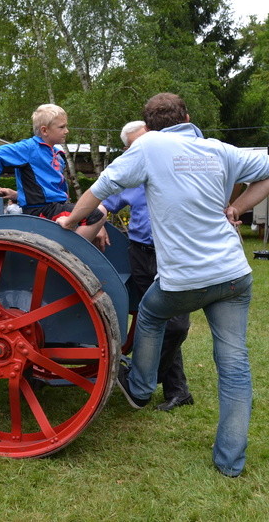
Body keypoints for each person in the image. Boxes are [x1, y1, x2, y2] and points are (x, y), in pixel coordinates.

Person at [57, 93, 269, 477]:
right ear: (188, 118)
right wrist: (238, 208)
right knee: (234, 364)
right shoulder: (216, 148)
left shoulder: (148, 147)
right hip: (232, 274)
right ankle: (230, 462)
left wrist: (68, 224)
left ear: (149, 125)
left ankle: (142, 387)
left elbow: (101, 188)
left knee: (149, 313)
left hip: (185, 278)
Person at [100, 120, 193, 412]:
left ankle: (140, 377)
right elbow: (103, 201)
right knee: (154, 320)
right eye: (137, 144)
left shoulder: (177, 165)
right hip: (141, 253)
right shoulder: (128, 171)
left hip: (175, 253)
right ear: (128, 149)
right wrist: (97, 221)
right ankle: (178, 390)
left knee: (177, 325)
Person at [0, 103, 107, 247]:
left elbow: (43, 189)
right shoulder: (29, 148)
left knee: (97, 213)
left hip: (55, 206)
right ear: (44, 130)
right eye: (61, 127)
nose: (66, 131)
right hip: (42, 210)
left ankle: (69, 252)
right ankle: (70, 254)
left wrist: (16, 195)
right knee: (98, 214)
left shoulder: (55, 154)